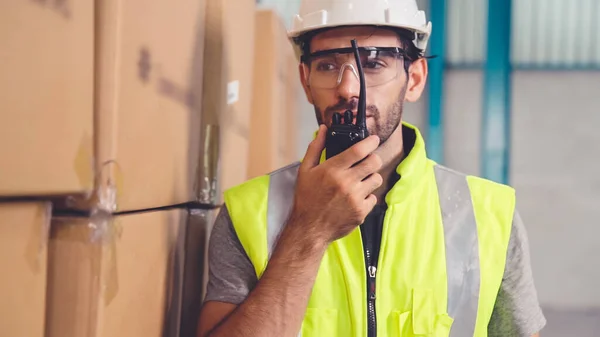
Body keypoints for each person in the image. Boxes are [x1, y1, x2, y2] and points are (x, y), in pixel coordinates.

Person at [197, 0, 547, 336]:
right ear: (305, 81)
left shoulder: (489, 215)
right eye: (327, 66)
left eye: (375, 63)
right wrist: (308, 232)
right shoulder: (249, 213)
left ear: (414, 79)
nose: (348, 89)